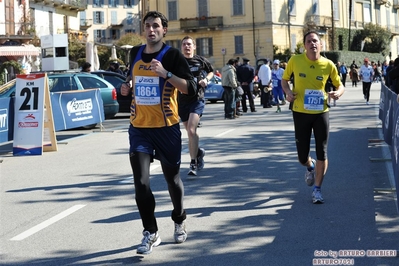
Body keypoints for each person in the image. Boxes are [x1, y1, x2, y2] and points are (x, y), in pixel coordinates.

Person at [120, 11, 196, 255]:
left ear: (164, 30)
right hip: (139, 128)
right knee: (141, 183)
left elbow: (190, 89)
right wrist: (126, 88)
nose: (151, 30)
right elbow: (131, 82)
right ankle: (150, 232)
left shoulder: (172, 56)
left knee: (172, 179)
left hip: (167, 128)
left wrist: (167, 74)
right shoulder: (135, 53)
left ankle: (179, 217)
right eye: (147, 26)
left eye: (155, 26)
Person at [281, 31, 345, 204]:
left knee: (322, 151)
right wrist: (287, 93)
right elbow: (285, 80)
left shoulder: (328, 64)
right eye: (309, 41)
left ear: (321, 45)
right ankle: (310, 166)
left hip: (321, 112)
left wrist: (337, 93)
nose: (313, 44)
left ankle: (317, 189)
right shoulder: (295, 60)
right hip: (300, 112)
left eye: (315, 41)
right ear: (305, 45)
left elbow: (340, 85)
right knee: (302, 157)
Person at [179, 35, 213, 176]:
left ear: (194, 46)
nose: (187, 46)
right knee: (190, 132)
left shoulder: (200, 60)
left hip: (197, 99)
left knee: (191, 131)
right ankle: (198, 152)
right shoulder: (177, 62)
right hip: (182, 100)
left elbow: (211, 72)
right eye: (184, 44)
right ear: (181, 47)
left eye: (189, 44)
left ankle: (193, 163)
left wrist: (206, 79)